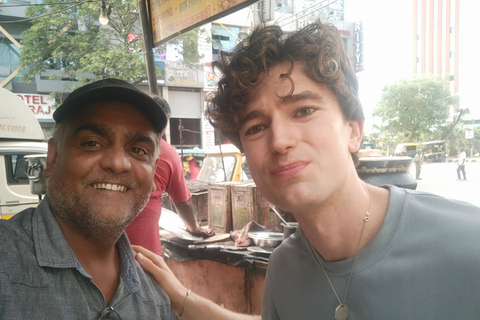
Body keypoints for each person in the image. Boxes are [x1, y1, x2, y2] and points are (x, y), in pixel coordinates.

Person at [135, 21, 480, 320]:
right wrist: (181, 300)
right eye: (255, 128)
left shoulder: (467, 244)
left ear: (353, 129)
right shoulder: (285, 269)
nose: (280, 141)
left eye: (303, 110)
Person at [0, 79, 180, 319]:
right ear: (52, 157)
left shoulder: (157, 296)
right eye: (92, 143)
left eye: (138, 150)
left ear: (154, 170)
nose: (117, 163)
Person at [126, 96, 213, 256]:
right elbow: (182, 202)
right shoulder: (167, 152)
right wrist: (193, 228)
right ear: (165, 123)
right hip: (145, 252)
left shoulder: (118, 146)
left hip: (105, 253)